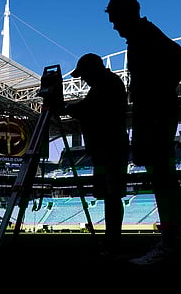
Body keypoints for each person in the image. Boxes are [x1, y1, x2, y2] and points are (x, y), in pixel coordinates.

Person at [105, 0, 181, 265]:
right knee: (160, 177)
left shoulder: (144, 33)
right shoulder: (139, 37)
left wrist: (159, 94)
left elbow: (180, 55)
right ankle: (169, 242)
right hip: (151, 114)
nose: (114, 26)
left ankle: (170, 245)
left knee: (163, 177)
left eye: (115, 19)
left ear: (126, 13)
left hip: (155, 116)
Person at [65, 53, 129, 257]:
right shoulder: (104, 85)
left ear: (93, 70)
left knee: (112, 194)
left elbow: (87, 109)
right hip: (106, 149)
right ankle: (112, 238)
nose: (83, 80)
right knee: (109, 194)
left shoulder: (107, 84)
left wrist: (65, 107)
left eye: (84, 74)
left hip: (111, 148)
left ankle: (113, 240)